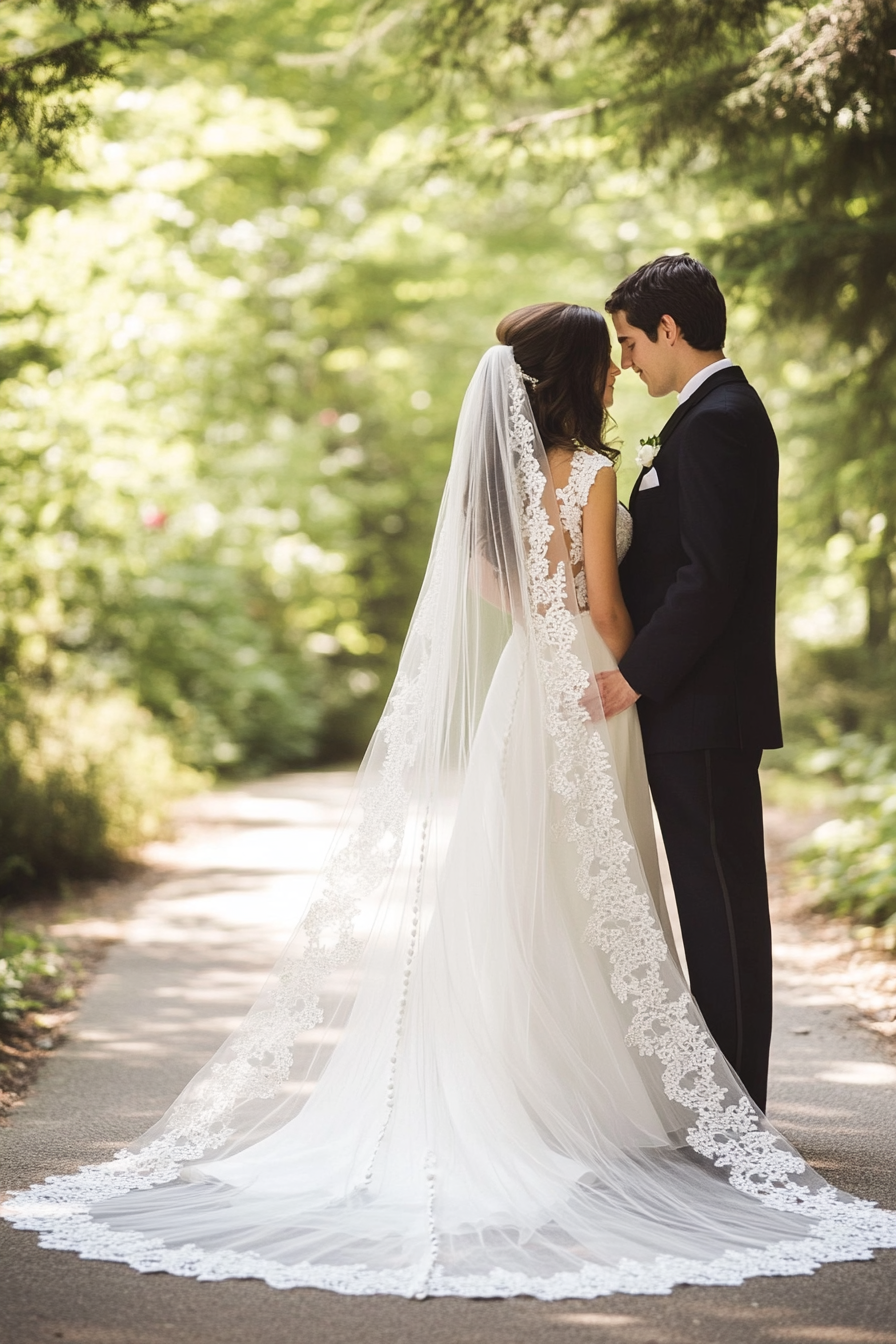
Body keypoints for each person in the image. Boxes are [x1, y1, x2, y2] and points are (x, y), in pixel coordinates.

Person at [4, 304, 894, 1300]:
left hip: (526, 686)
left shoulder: (502, 476)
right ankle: (601, 1103)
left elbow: (483, 571)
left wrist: (539, 620)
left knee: (514, 878)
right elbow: (606, 607)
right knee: (593, 885)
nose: (616, 374)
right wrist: (613, 653)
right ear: (580, 377)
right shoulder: (593, 473)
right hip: (593, 685)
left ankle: (510, 1089)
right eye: (606, 362)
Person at [601, 254, 780, 1112]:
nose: (627, 362)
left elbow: (706, 578)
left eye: (632, 342)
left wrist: (632, 677)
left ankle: (738, 1108)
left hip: (702, 704)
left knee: (719, 903)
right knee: (716, 898)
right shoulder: (706, 416)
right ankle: (733, 1100)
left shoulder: (719, 420)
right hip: (699, 703)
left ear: (669, 330)